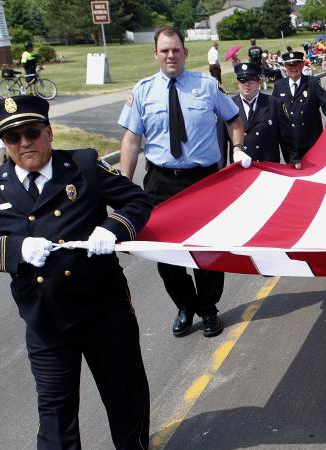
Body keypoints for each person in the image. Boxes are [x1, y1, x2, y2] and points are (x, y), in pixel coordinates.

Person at [0, 96, 152, 450]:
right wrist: (17, 248)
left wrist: (112, 228)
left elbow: (137, 201)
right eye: (12, 136)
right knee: (54, 402)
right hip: (44, 315)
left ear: (48, 132)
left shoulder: (84, 164)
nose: (24, 143)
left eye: (31, 133)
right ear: (3, 141)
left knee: (122, 383)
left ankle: (132, 448)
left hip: (101, 305)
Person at [119, 27, 249, 339]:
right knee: (164, 253)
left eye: (176, 49)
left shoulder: (207, 85)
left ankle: (208, 309)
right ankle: (185, 306)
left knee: (208, 251)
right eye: (164, 50)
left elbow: (233, 119)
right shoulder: (143, 91)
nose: (171, 55)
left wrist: (238, 148)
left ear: (185, 52)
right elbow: (131, 140)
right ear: (155, 54)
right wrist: (123, 186)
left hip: (203, 180)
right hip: (161, 181)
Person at [273, 51, 326, 164]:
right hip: (289, 143)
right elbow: (273, 109)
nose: (293, 68)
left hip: (311, 140)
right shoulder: (279, 85)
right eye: (289, 65)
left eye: (296, 64)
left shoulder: (312, 82)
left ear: (303, 65)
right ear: (285, 66)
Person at [223, 63, 281, 162]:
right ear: (238, 83)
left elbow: (285, 137)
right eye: (242, 80)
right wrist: (221, 172)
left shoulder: (274, 103)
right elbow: (222, 142)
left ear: (258, 82)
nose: (246, 84)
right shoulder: (228, 105)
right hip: (241, 166)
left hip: (267, 165)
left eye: (251, 80)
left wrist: (293, 160)